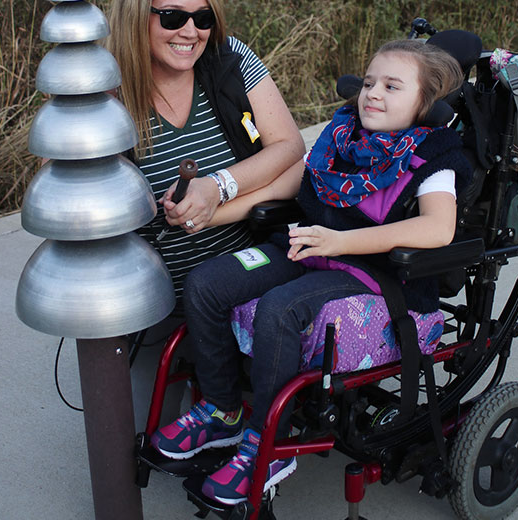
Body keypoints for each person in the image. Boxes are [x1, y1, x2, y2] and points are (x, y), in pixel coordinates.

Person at [150, 38, 473, 506]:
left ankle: (269, 445)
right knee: (208, 283)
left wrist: (341, 241)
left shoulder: (433, 156)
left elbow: (438, 228)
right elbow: (292, 181)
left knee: (281, 309)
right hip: (308, 246)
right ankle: (223, 411)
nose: (372, 94)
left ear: (423, 104)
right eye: (368, 82)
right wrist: (207, 212)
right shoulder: (342, 136)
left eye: (392, 86)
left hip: (372, 272)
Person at [107, 0, 305, 305]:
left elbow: (290, 148)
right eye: (171, 17)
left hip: (249, 283)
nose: (191, 31)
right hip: (147, 300)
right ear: (136, 17)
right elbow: (67, 211)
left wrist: (218, 189)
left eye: (203, 17)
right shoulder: (104, 91)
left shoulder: (231, 59)